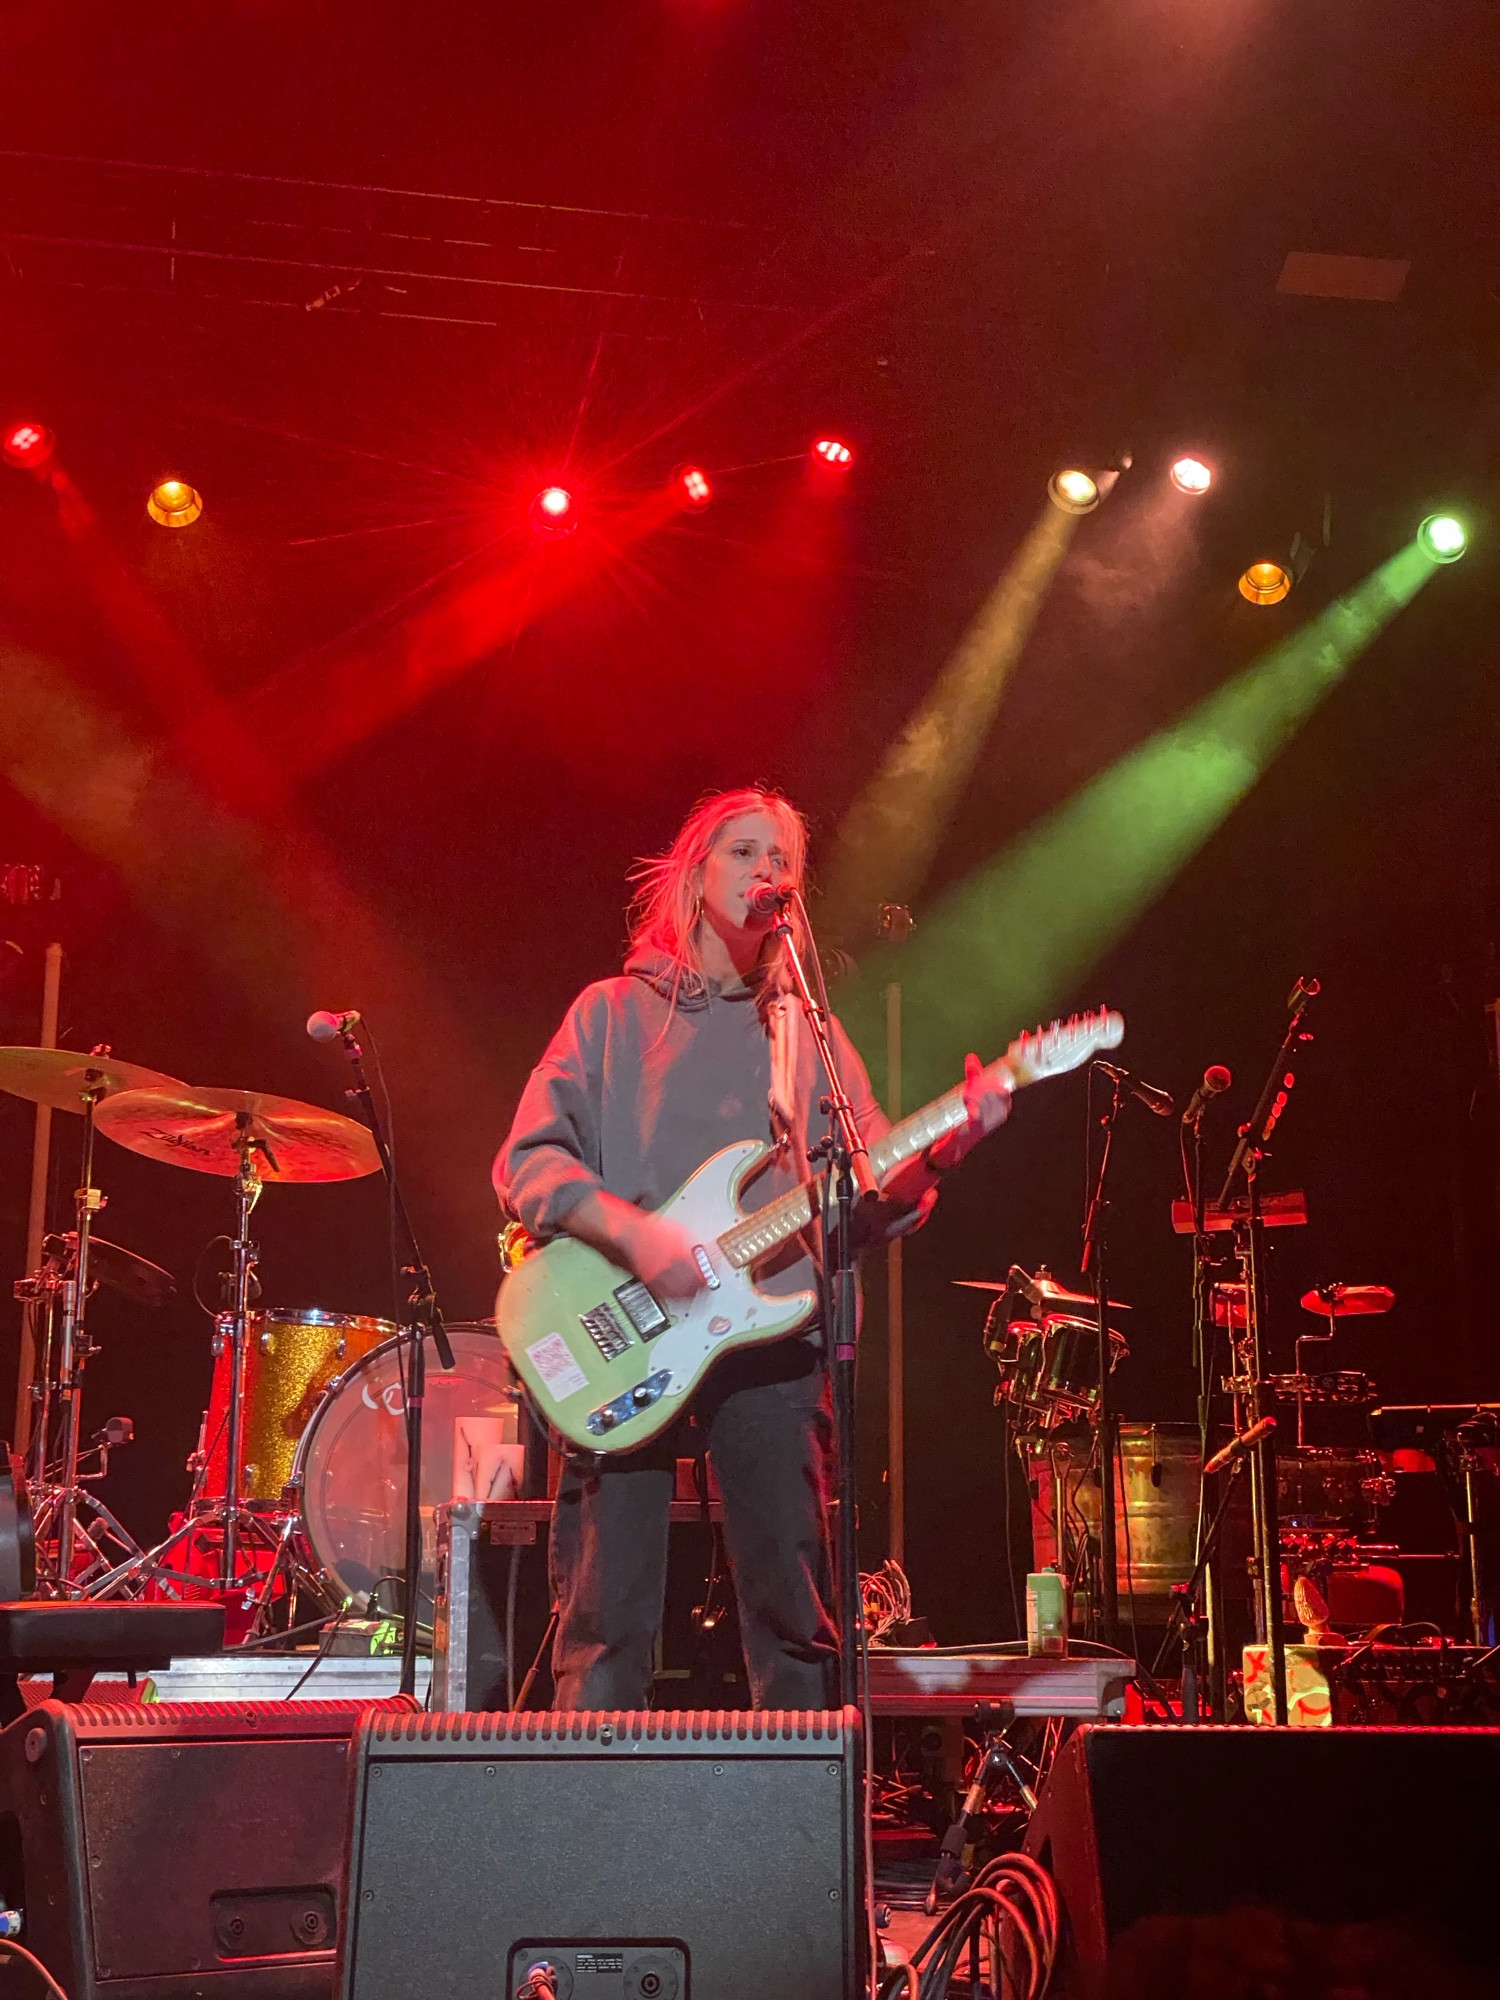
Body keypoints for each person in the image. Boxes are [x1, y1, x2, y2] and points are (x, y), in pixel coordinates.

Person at [492, 787, 1011, 1710]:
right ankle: (591, 1826)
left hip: (769, 1342)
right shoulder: (612, 1015)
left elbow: (860, 1198)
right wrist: (635, 1233)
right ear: (694, 876)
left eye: (782, 862)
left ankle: (798, 1825)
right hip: (623, 1324)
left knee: (792, 1606)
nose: (766, 872)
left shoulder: (804, 1034)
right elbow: (527, 1160)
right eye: (743, 851)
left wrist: (940, 1153)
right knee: (608, 1613)